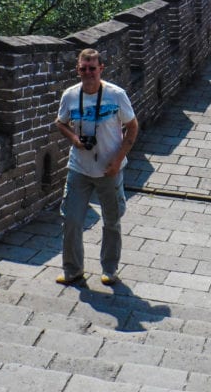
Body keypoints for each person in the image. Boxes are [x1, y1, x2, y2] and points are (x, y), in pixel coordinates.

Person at [56, 48, 139, 286]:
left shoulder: (116, 94)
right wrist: (73, 139)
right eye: (83, 68)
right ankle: (72, 270)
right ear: (78, 70)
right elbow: (60, 123)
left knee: (111, 221)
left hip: (109, 170)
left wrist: (118, 160)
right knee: (71, 220)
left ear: (101, 68)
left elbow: (132, 126)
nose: (88, 73)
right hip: (79, 168)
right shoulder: (70, 95)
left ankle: (109, 269)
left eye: (92, 68)